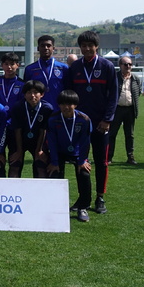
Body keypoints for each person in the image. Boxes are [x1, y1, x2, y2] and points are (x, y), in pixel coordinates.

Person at [67, 31, 117, 214]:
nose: (87, 49)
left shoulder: (107, 66)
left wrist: (107, 119)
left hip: (100, 123)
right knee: (80, 161)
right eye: (83, 46)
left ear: (97, 46)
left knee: (101, 162)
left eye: (90, 45)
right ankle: (84, 198)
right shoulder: (75, 67)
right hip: (79, 124)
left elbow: (113, 95)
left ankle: (100, 197)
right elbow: (69, 95)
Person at [45, 89, 93, 223]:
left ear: (75, 105)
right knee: (54, 173)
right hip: (60, 152)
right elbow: (52, 141)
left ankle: (83, 207)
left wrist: (82, 161)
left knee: (84, 174)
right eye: (63, 104)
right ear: (58, 105)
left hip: (77, 153)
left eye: (69, 104)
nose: (66, 107)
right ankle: (56, 206)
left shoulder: (84, 119)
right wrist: (54, 161)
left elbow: (85, 142)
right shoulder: (53, 119)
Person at [8, 80, 52, 179]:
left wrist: (39, 150)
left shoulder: (47, 109)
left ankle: (40, 188)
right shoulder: (18, 107)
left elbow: (43, 130)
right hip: (19, 140)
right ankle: (13, 188)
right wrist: (19, 151)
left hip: (38, 140)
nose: (32, 95)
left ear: (42, 94)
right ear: (24, 94)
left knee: (41, 166)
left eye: (36, 92)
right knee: (15, 165)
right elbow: (17, 130)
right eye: (29, 92)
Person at [108, 56, 141, 165]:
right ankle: (109, 157)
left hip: (130, 110)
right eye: (125, 64)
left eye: (130, 64)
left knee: (129, 135)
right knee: (112, 134)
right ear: (120, 65)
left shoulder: (135, 78)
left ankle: (130, 157)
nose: (128, 66)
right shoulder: (114, 77)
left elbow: (138, 92)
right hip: (117, 109)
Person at [23, 34, 68, 109]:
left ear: (53, 48)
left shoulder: (63, 68)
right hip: (38, 110)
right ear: (38, 48)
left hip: (58, 110)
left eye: (48, 45)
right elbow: (26, 92)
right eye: (42, 46)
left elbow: (68, 91)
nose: (46, 48)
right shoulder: (30, 69)